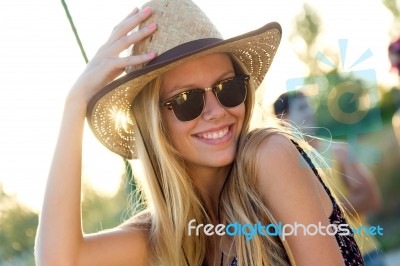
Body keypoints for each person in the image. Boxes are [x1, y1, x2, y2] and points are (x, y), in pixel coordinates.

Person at [35, 0, 364, 265]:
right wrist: (75, 104)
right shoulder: (166, 236)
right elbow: (59, 259)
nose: (217, 110)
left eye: (228, 87)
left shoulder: (269, 154)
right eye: (187, 100)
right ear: (154, 123)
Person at [273, 91, 384, 266]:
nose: (309, 112)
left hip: (366, 255)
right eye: (301, 108)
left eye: (309, 106)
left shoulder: (339, 151)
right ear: (283, 119)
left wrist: (320, 212)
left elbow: (371, 198)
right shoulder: (279, 167)